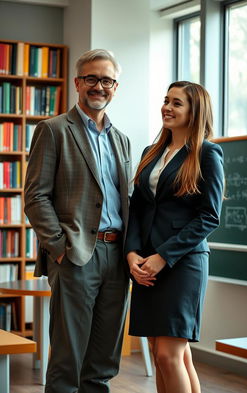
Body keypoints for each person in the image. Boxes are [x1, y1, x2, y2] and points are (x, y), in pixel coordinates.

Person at [24, 49, 132, 393]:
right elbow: (35, 196)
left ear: (115, 87)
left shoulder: (122, 140)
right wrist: (59, 248)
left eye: (106, 80)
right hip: (75, 256)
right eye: (91, 79)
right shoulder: (53, 130)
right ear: (77, 83)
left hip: (117, 258)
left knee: (102, 363)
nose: (99, 86)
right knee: (68, 361)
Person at [125, 81, 224, 393]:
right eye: (166, 100)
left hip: (182, 264)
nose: (167, 107)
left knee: (169, 356)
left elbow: (209, 216)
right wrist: (132, 254)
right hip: (145, 264)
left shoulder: (207, 154)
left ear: (194, 111)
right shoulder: (151, 152)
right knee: (163, 354)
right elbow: (137, 208)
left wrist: (163, 256)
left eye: (177, 103)